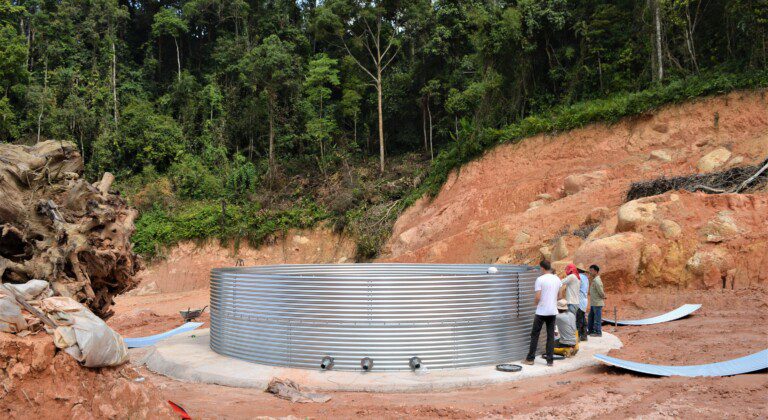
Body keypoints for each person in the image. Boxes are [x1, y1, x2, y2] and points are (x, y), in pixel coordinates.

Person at [522, 260, 560, 366]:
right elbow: (560, 296)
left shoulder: (540, 279)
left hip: (541, 311)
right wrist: (551, 301)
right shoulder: (557, 279)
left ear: (542, 268)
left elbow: (538, 296)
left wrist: (535, 304)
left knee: (535, 335)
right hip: (552, 311)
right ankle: (550, 361)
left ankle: (530, 359)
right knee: (550, 336)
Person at [588, 264, 605, 337]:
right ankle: (591, 330)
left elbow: (600, 291)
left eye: (591, 271)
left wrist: (603, 296)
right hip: (594, 303)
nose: (590, 272)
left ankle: (598, 332)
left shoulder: (597, 281)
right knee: (591, 317)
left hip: (597, 303)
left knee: (597, 318)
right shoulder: (595, 280)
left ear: (595, 271)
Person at [577, 265, 589, 341]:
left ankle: (578, 335)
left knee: (579, 319)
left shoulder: (579, 277)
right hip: (584, 299)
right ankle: (584, 335)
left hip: (580, 300)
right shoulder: (586, 278)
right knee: (583, 318)